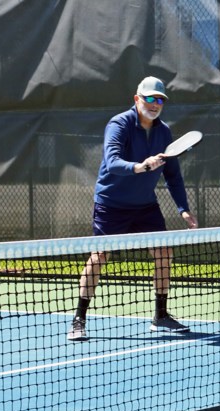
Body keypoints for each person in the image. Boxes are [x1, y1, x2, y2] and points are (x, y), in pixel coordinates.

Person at [67, 76, 197, 341]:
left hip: (145, 205)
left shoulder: (164, 132)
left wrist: (183, 208)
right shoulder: (119, 124)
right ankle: (79, 319)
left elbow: (173, 175)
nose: (155, 103)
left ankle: (160, 315)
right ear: (137, 99)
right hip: (111, 204)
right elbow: (112, 161)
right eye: (150, 98)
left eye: (160, 99)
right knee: (100, 256)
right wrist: (140, 166)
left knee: (163, 252)